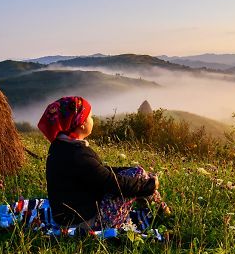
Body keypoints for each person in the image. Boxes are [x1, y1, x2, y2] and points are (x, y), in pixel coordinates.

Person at [38, 96, 167, 230]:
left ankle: (157, 211)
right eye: (90, 117)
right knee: (140, 176)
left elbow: (99, 171)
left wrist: (132, 171)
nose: (92, 120)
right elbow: (112, 183)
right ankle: (164, 215)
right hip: (85, 222)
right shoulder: (78, 154)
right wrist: (149, 185)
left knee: (137, 172)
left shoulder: (60, 147)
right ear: (81, 123)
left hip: (67, 218)